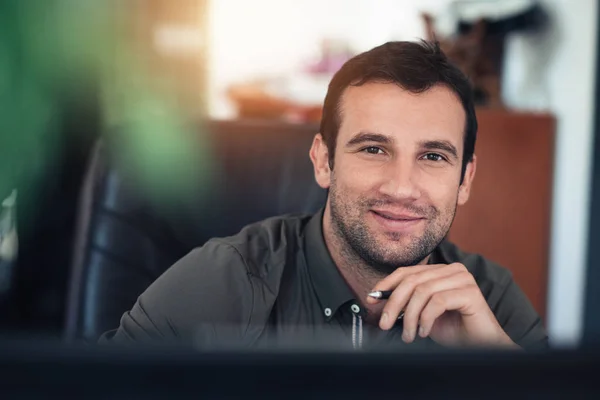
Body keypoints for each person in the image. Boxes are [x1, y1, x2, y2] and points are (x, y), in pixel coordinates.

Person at [102, 41, 548, 350]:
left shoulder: (488, 299)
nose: (400, 187)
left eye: (433, 156)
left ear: (465, 179)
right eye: (374, 149)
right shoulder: (228, 280)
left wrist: (495, 362)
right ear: (323, 161)